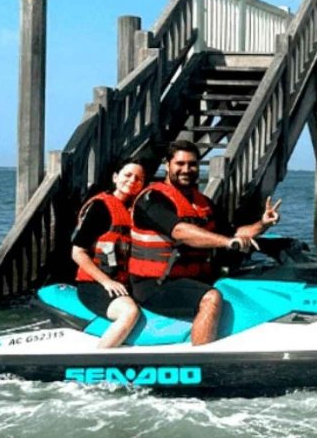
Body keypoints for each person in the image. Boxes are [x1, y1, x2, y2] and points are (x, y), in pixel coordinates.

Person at [127, 141, 282, 345]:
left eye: (192, 164)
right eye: (180, 163)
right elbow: (180, 232)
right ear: (167, 165)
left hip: (191, 279)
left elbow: (234, 233)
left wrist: (262, 224)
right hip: (154, 285)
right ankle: (199, 361)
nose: (186, 170)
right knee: (211, 298)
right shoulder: (151, 199)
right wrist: (228, 242)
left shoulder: (203, 203)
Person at [68, 159, 147, 349]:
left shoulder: (137, 211)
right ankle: (96, 362)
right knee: (129, 312)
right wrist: (106, 281)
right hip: (95, 285)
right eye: (127, 175)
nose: (132, 181)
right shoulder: (101, 208)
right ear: (115, 177)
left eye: (139, 178)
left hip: (123, 284)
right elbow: (77, 252)